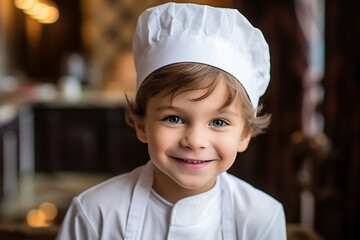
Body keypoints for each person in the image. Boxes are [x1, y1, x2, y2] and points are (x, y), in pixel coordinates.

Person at [56, 2, 287, 239]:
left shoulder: (262, 218)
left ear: (245, 134)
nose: (195, 141)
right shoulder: (95, 214)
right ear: (141, 125)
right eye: (174, 118)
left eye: (218, 122)